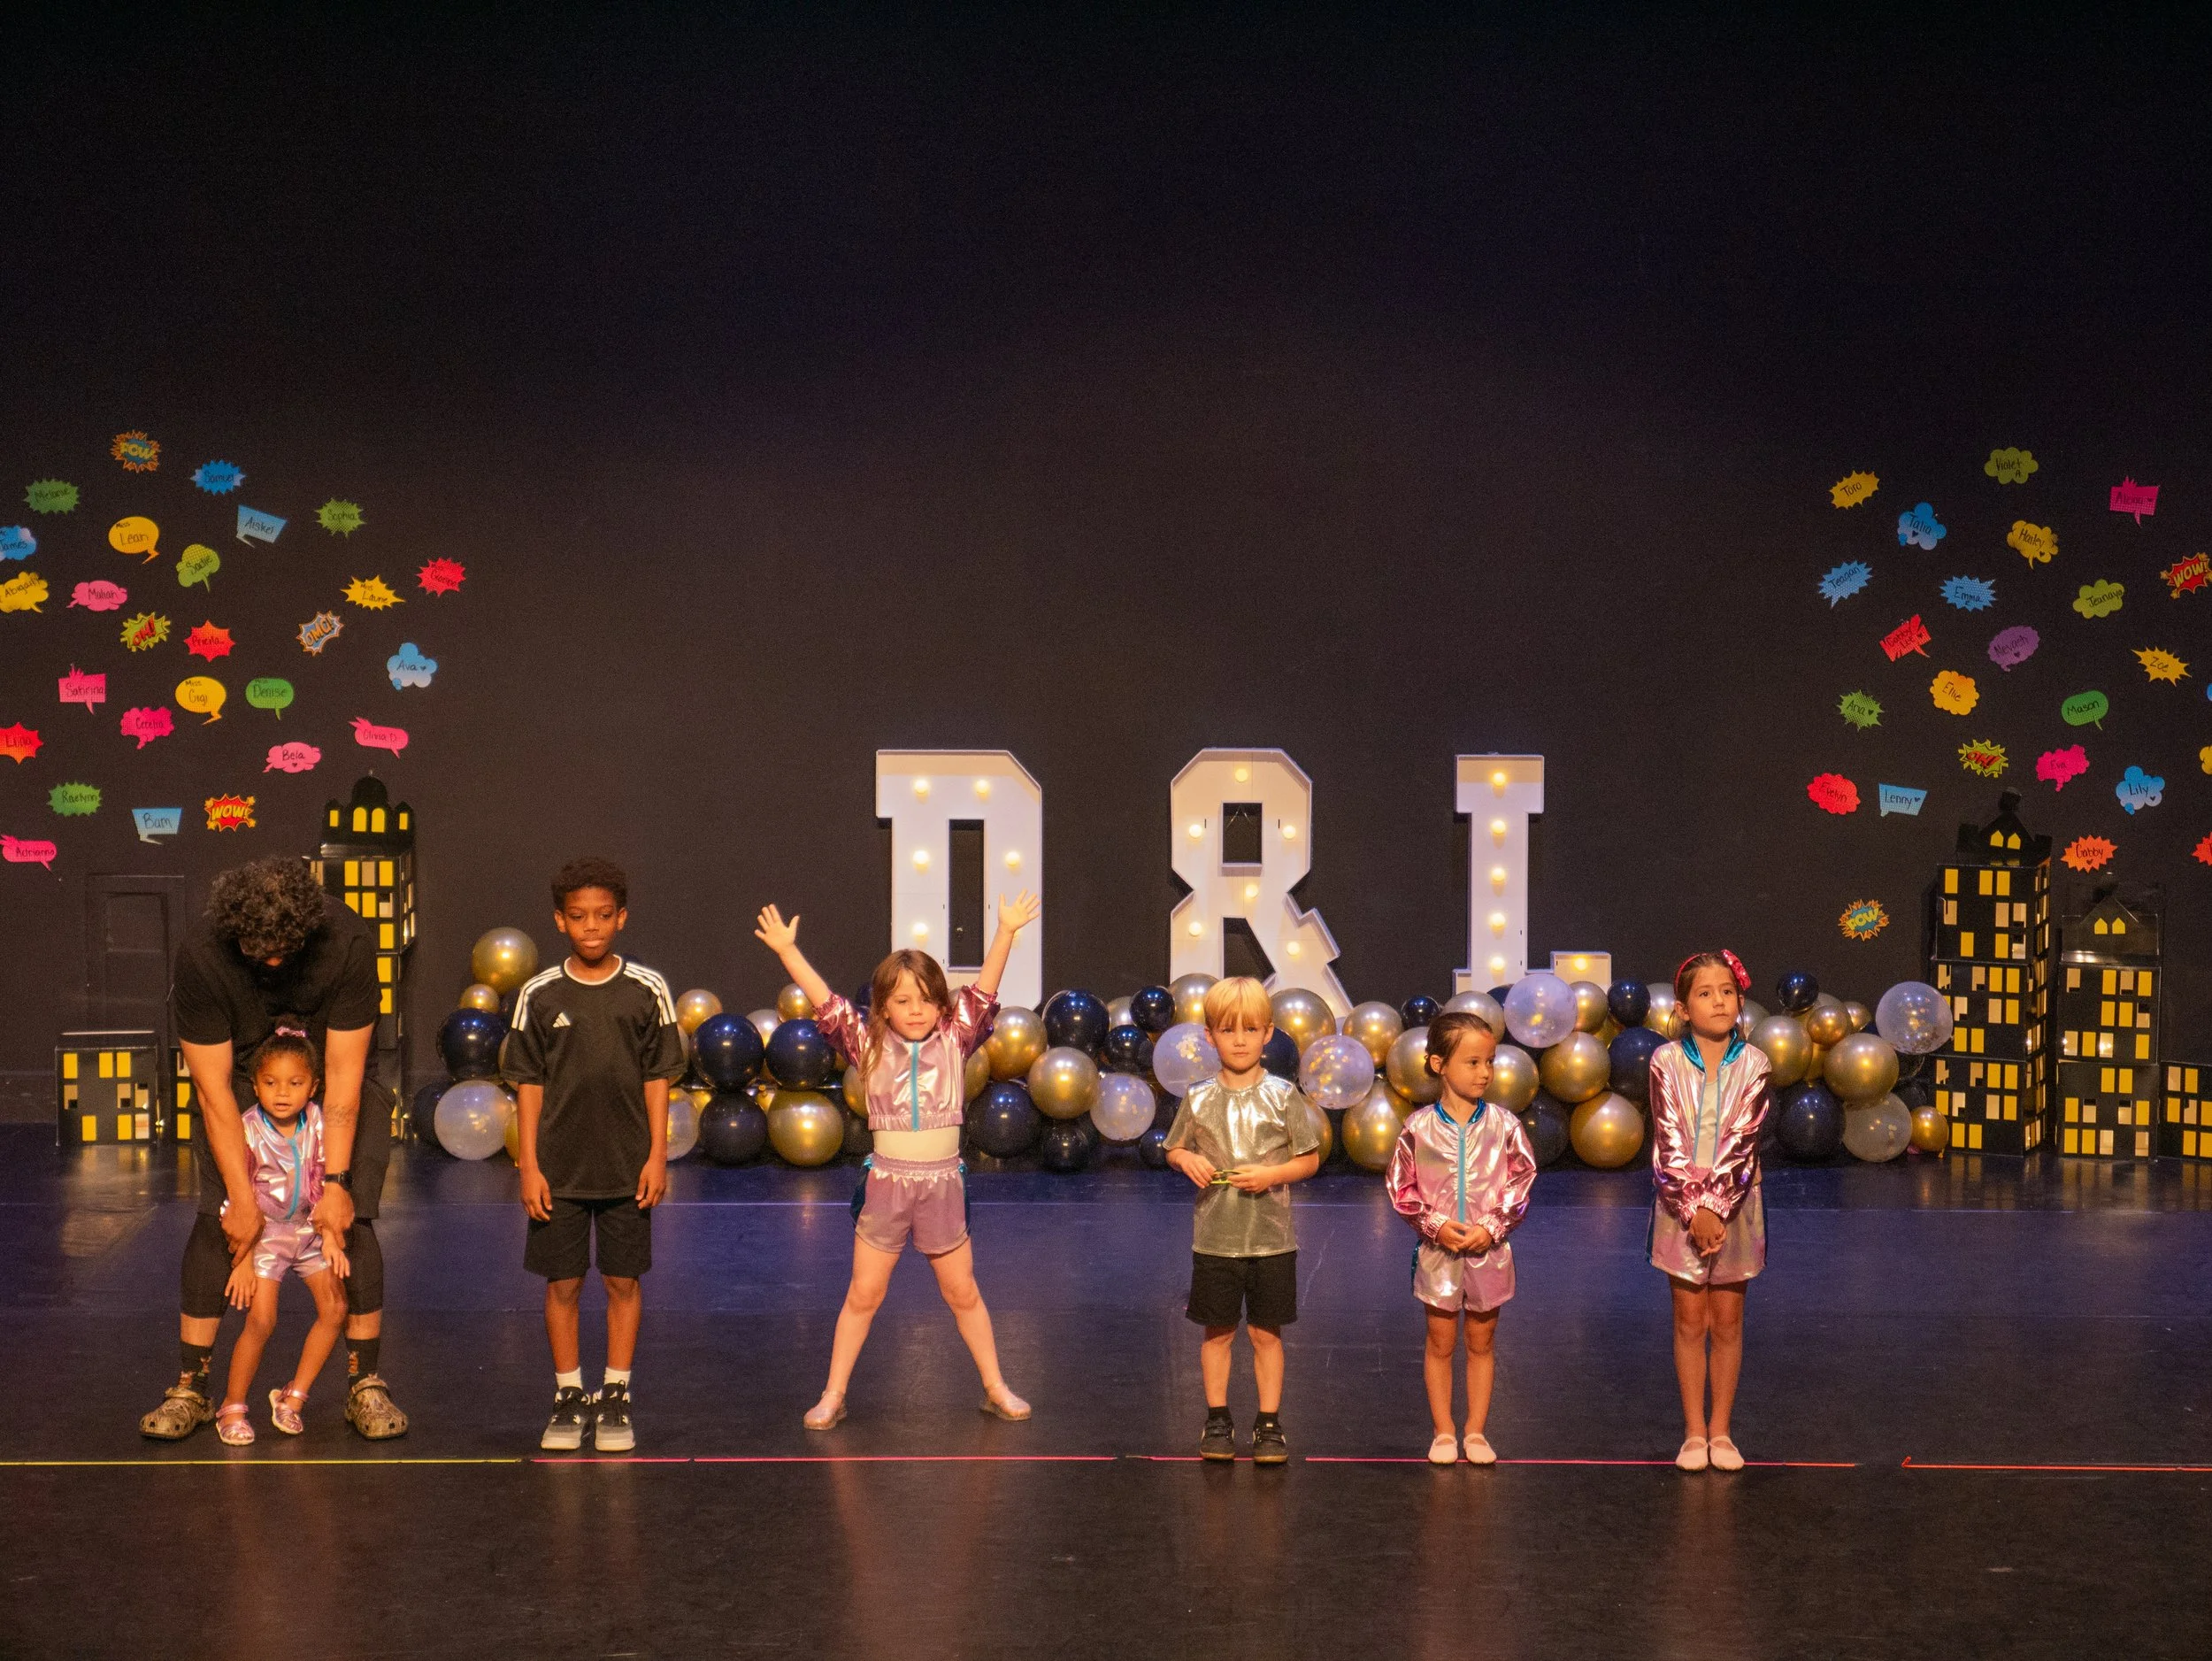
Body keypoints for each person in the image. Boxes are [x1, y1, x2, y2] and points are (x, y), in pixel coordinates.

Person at [143, 856, 408, 1441]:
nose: (268, 960)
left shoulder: (348, 943)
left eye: (280, 950)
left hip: (327, 1080)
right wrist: (241, 1195)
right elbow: (213, 1092)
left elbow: (343, 1078)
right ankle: (192, 1384)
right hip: (242, 1080)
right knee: (219, 1220)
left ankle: (365, 1382)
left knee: (352, 1217)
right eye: (254, 948)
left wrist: (335, 1183)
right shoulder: (203, 956)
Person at [755, 891, 1041, 1430]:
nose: (915, 1010)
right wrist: (789, 953)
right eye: (903, 1000)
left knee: (963, 1292)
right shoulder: (866, 1045)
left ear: (942, 1005)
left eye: (927, 1000)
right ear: (883, 1005)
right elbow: (827, 1004)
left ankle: (995, 1386)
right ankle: (834, 1393)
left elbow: (983, 991)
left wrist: (1005, 932)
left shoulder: (956, 1041)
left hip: (942, 1187)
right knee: (864, 1294)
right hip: (889, 1186)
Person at [507, 857, 687, 1453]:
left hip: (626, 1167)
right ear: (560, 921)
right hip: (558, 1171)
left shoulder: (647, 989)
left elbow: (659, 1077)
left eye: (604, 916)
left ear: (622, 918)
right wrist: (530, 1165)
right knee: (562, 1283)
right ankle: (567, 1394)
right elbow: (528, 1083)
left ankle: (614, 1394)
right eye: (579, 916)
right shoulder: (538, 993)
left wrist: (657, 1155)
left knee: (621, 1280)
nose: (592, 927)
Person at [1164, 976, 1323, 1464]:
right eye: (1227, 1030)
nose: (1239, 1040)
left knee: (1266, 1334)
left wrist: (1271, 1174)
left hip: (1272, 1241)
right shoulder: (1198, 1097)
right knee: (1218, 1332)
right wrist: (1181, 1158)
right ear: (1209, 1036)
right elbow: (1174, 1146)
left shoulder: (1283, 1095)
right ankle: (1217, 1420)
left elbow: (1309, 1159)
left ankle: (1269, 1426)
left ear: (1268, 1033)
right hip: (1215, 1239)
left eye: (1250, 1029)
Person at [1386, 1011, 1536, 1465]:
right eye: (1472, 1062)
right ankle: (1444, 1431)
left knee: (1482, 1341)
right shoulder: (1418, 1128)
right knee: (1439, 1340)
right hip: (1438, 1254)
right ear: (1438, 1064)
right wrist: (1434, 1225)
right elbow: (1401, 1186)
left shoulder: (1505, 1125)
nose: (1484, 1072)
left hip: (1489, 1252)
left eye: (1489, 1061)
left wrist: (1492, 1226)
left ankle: (1475, 1431)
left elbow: (1521, 1177)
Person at [1649, 950, 1774, 1473]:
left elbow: (1744, 1139)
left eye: (1727, 991)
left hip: (1737, 1199)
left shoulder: (1755, 1063)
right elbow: (1668, 1137)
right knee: (1688, 1319)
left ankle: (1721, 1431)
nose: (1718, 1001)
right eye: (1705, 993)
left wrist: (1717, 1206)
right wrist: (1693, 1205)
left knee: (1726, 1320)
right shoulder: (1665, 1062)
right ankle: (1693, 1432)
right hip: (1679, 1203)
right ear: (1682, 1008)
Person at [211, 1025, 352, 1445]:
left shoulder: (321, 1124)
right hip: (266, 1237)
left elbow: (325, 1185)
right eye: (271, 1083)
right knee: (261, 1319)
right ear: (255, 1085)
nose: (283, 1093)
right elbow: (238, 1200)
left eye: (295, 1083)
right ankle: (232, 1407)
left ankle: (292, 1398)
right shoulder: (248, 1128)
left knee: (335, 1310)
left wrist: (330, 1237)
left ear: (314, 1085)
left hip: (311, 1230)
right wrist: (244, 1260)